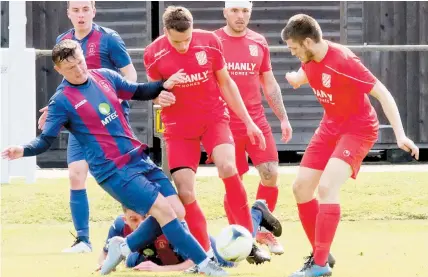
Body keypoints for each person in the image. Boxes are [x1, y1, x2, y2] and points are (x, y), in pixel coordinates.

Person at [2, 40, 227, 277]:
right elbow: (45, 139)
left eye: (80, 62)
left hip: (138, 157)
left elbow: (138, 90)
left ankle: (125, 246)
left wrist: (163, 85)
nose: (79, 69)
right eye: (70, 68)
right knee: (165, 212)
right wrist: (23, 150)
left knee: (178, 210)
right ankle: (206, 264)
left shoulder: (104, 76)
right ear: (59, 70)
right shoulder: (61, 101)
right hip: (114, 170)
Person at [281, 14, 419, 277]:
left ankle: (319, 265)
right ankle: (322, 252)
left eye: (294, 48)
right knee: (300, 188)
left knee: (326, 187)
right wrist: (295, 79)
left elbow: (383, 94)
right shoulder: (309, 58)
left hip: (359, 129)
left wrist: (400, 135)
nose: (293, 52)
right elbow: (305, 73)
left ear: (308, 42)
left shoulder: (343, 62)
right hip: (330, 126)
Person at [143, 5, 277, 266]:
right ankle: (204, 255)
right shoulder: (153, 53)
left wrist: (249, 122)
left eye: (187, 39)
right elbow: (154, 92)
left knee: (228, 167)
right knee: (185, 191)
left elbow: (226, 83)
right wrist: (160, 96)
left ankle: (247, 242)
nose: (183, 46)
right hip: (179, 128)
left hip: (213, 119)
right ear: (165, 32)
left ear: (193, 28)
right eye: (176, 41)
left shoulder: (210, 42)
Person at [37, 0, 138, 253]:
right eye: (76, 10)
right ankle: (83, 241)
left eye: (85, 10)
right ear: (68, 13)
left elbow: (131, 76)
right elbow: (66, 83)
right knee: (75, 175)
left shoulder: (109, 39)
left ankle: (139, 234)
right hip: (81, 123)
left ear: (94, 11)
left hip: (109, 123)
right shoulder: (63, 40)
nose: (81, 15)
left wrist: (114, 103)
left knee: (126, 178)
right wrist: (54, 106)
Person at [214, 0, 292, 256]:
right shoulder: (214, 41)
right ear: (225, 12)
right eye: (235, 10)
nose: (240, 16)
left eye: (245, 11)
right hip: (226, 122)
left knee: (270, 173)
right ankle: (238, 236)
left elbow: (269, 83)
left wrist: (283, 117)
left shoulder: (259, 42)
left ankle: (262, 230)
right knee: (233, 181)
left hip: (257, 120)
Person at [97, 206, 236, 273]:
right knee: (132, 261)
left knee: (233, 256)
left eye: (146, 218)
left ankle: (256, 212)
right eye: (134, 219)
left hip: (208, 250)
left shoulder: (167, 227)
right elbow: (105, 251)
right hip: (158, 253)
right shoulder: (119, 226)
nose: (141, 224)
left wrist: (159, 269)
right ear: (125, 219)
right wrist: (105, 262)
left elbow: (194, 261)